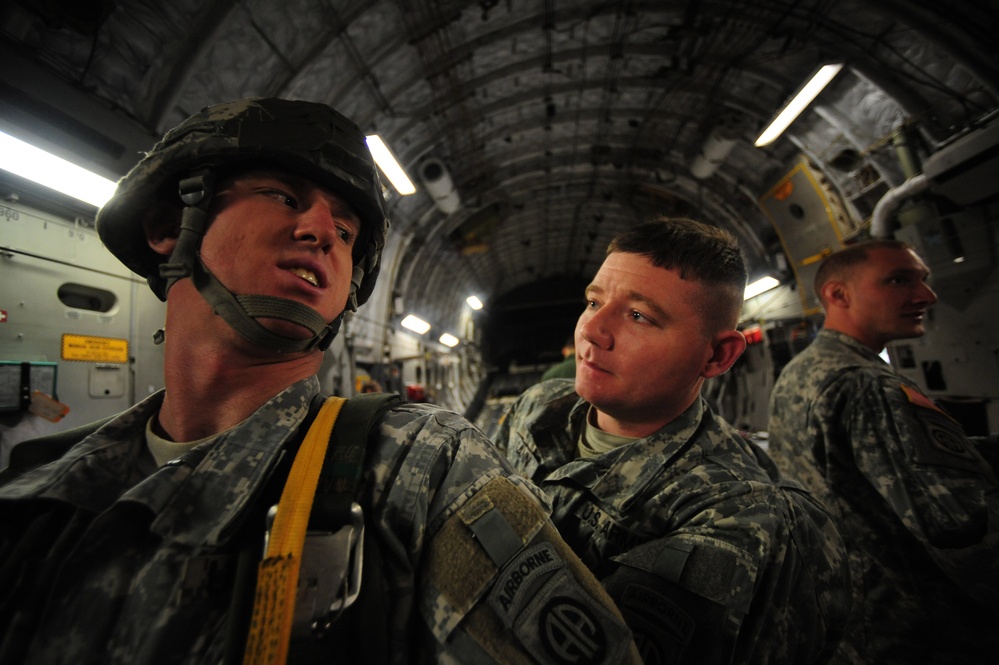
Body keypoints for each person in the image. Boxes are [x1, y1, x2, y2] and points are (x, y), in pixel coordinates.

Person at [0, 98, 642, 665]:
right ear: (171, 228)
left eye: (345, 231)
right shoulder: (39, 493)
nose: (320, 234)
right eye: (282, 196)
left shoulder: (420, 468)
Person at [495, 217, 851, 664]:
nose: (591, 330)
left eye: (639, 316)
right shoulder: (539, 407)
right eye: (592, 301)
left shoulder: (734, 512)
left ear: (717, 355)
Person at [767, 239, 999, 664]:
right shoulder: (867, 384)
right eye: (899, 280)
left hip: (849, 616)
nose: (926, 295)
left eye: (923, 281)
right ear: (838, 294)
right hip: (918, 632)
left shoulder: (802, 370)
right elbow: (958, 524)